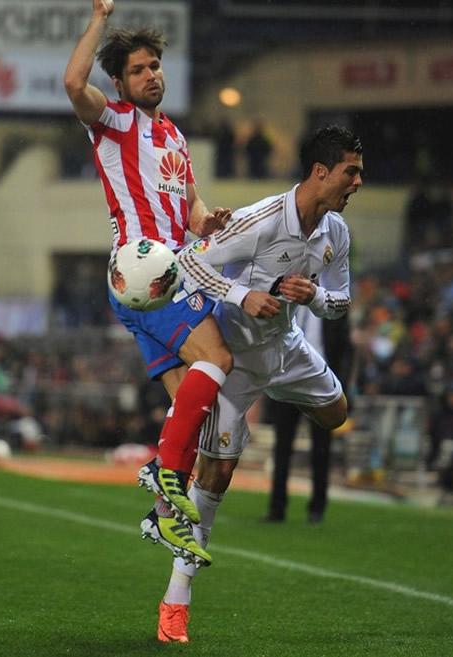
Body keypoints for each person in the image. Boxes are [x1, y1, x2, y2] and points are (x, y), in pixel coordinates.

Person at [156, 124, 364, 642]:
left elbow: (340, 303)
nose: (358, 182)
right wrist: (241, 294)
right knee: (217, 476)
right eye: (351, 172)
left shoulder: (335, 231)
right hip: (237, 360)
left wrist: (314, 296)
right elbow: (188, 263)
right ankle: (175, 600)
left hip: (287, 348)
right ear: (322, 171)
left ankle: (278, 396)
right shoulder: (261, 219)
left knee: (338, 413)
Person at [64, 0, 234, 567]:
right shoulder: (113, 120)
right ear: (120, 81)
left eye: (155, 65)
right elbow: (71, 82)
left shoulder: (175, 138)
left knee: (195, 404)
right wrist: (99, 19)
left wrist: (208, 221)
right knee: (219, 359)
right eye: (138, 69)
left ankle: (164, 515)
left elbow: (189, 205)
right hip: (148, 272)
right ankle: (162, 476)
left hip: (164, 273)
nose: (151, 74)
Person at [264, 309, 354, 525]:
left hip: (319, 383)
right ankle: (277, 508)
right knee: (282, 446)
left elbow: (345, 348)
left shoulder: (329, 303)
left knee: (321, 449)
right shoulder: (286, 300)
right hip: (286, 380)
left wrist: (340, 388)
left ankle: (317, 508)